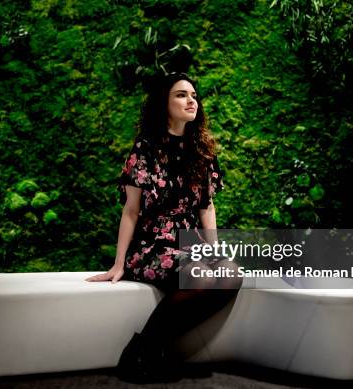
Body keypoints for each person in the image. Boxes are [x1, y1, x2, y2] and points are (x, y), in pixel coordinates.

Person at [85, 72, 241, 383]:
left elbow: (206, 206)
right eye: (181, 95)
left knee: (231, 273)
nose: (191, 100)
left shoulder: (203, 150)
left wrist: (213, 250)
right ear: (164, 104)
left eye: (194, 95)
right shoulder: (146, 148)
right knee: (202, 275)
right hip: (151, 245)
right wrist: (119, 264)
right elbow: (130, 211)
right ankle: (140, 351)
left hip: (189, 243)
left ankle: (160, 349)